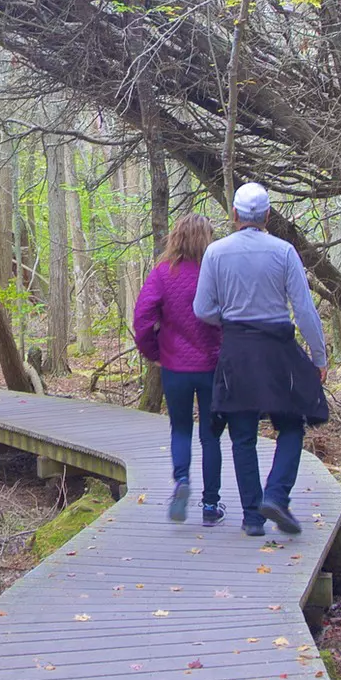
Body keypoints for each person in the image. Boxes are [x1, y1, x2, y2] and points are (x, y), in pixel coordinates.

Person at [193, 181, 329, 537]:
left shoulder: (215, 253)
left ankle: (253, 517)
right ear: (268, 215)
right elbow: (304, 309)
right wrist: (319, 357)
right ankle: (277, 494)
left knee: (242, 435)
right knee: (291, 425)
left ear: (234, 214)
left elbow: (202, 309)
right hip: (278, 350)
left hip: (237, 349)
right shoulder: (284, 252)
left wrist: (232, 318)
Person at [133, 214, 226, 525]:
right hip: (213, 366)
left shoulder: (163, 272)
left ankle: (182, 481)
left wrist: (153, 352)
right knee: (211, 436)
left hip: (175, 367)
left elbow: (143, 317)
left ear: (176, 237)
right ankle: (211, 506)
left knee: (181, 428)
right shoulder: (217, 272)